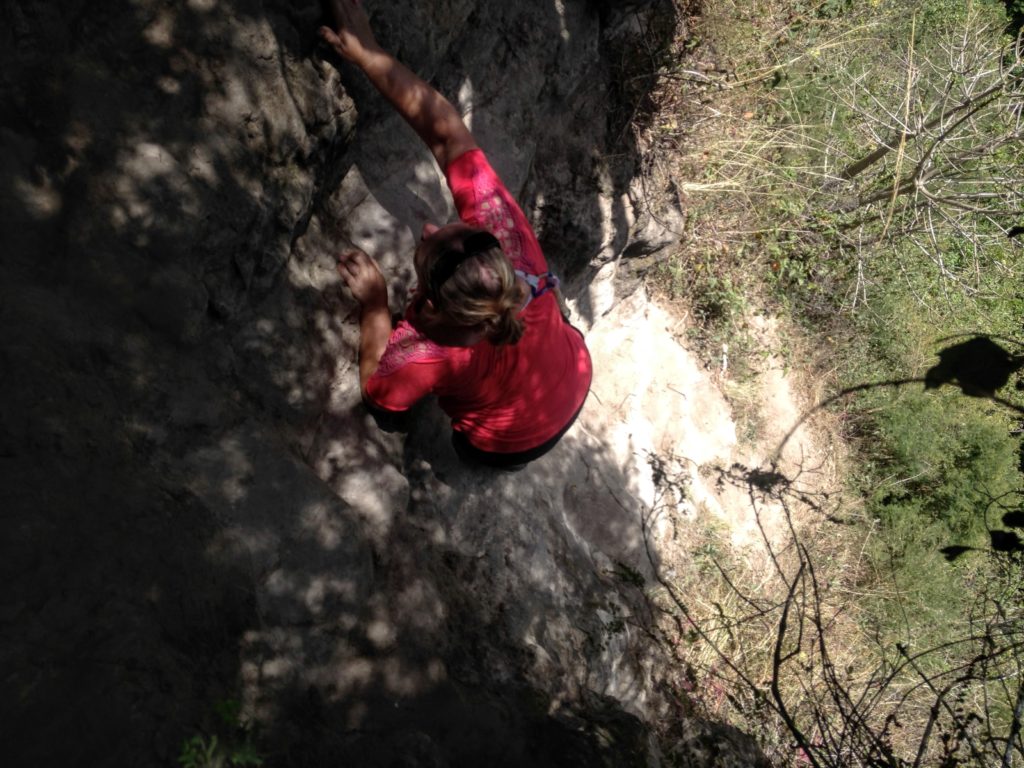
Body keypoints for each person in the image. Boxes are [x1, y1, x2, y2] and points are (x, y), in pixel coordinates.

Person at [320, 0, 592, 468]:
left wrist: (374, 305)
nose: (427, 225)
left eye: (426, 247)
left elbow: (380, 398)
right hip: (577, 375)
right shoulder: (510, 244)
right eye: (448, 231)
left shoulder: (426, 350)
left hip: (513, 443)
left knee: (458, 444)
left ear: (428, 303)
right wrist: (369, 54)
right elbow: (448, 135)